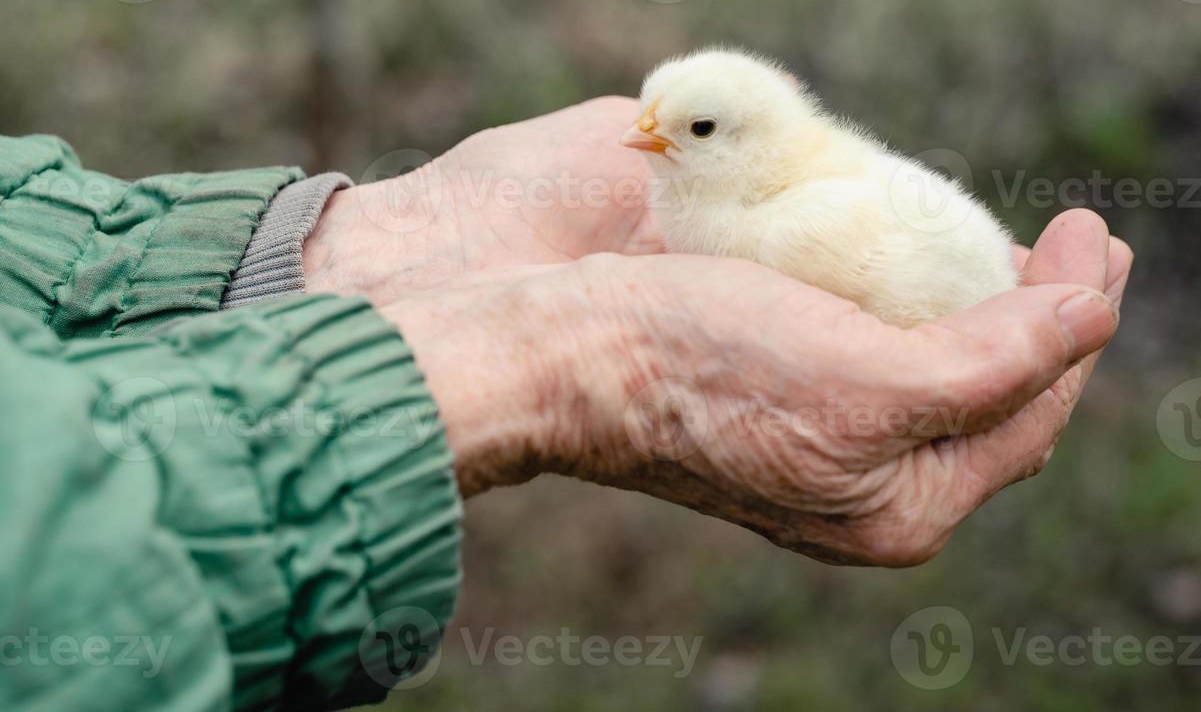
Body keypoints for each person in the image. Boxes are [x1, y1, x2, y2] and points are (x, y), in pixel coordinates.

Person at [0, 96, 1129, 710]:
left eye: (683, 130)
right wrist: (561, 353)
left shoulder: (794, 212)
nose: (648, 141)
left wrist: (331, 253)